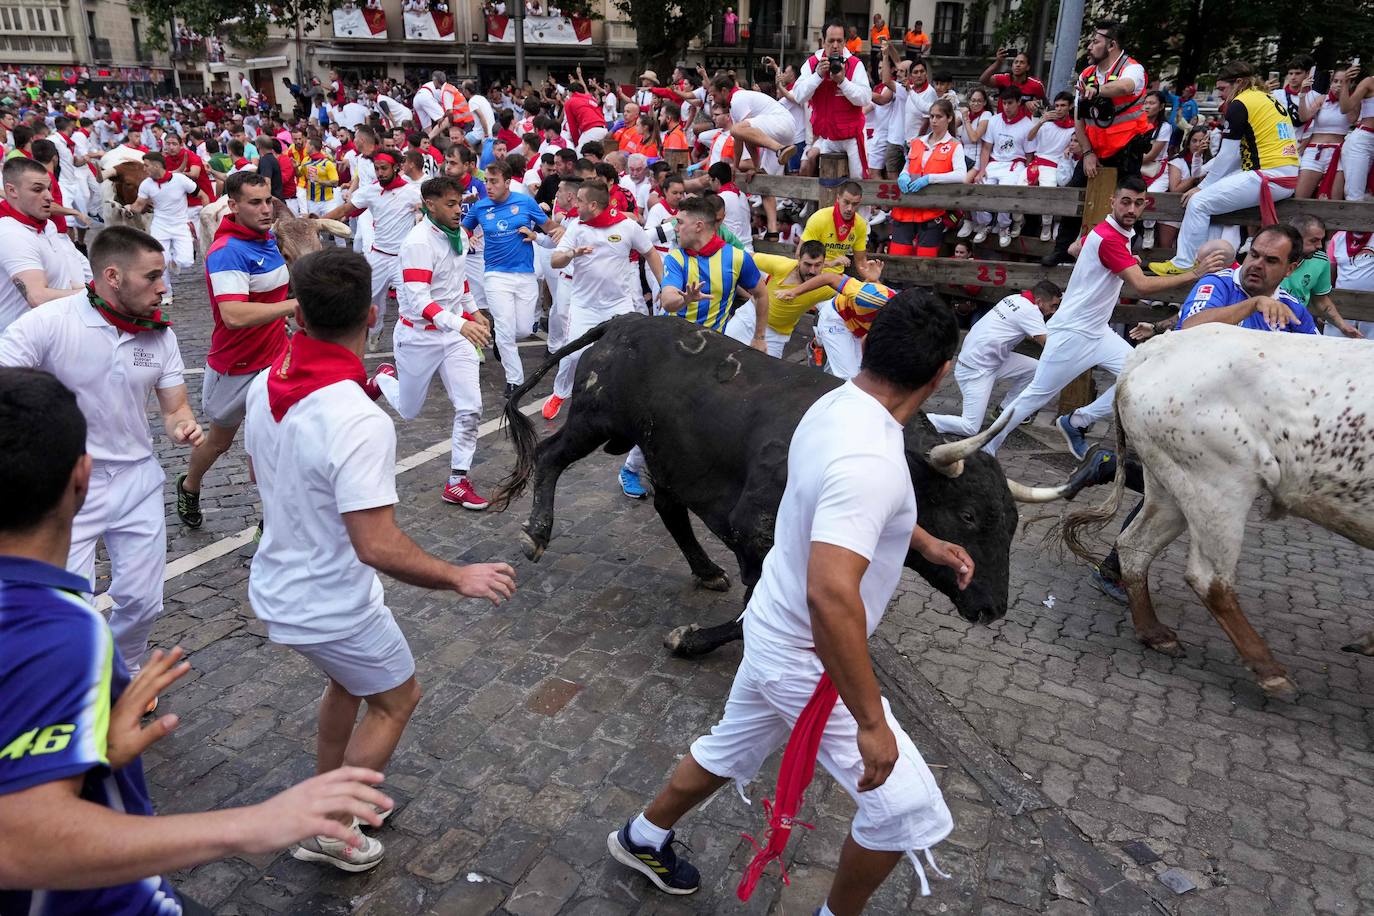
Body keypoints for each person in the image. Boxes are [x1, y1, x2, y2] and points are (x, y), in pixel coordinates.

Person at [606, 291, 964, 912]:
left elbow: (839, 500)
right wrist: (872, 723)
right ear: (941, 374)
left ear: (870, 346)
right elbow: (831, 594)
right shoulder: (871, 459)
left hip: (772, 619)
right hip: (801, 652)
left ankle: (642, 837)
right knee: (905, 809)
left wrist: (923, 540)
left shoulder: (836, 403)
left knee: (729, 748)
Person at [0, 366, 395, 913]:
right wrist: (255, 823)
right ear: (83, 477)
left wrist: (97, 757)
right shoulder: (59, 628)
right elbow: (22, 843)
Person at [243, 247, 517, 871]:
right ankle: (330, 826)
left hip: (282, 582)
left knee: (348, 683)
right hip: (331, 602)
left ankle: (328, 795)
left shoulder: (266, 383)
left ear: (298, 314)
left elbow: (260, 473)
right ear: (372, 316)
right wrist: (457, 576)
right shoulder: (357, 416)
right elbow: (377, 544)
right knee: (398, 697)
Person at [0, 226, 205, 676]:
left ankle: (123, 670)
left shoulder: (160, 336)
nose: (163, 287)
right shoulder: (49, 322)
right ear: (112, 276)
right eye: (151, 277)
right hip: (67, 483)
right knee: (71, 599)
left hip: (136, 477)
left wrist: (183, 426)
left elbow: (175, 408)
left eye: (163, 276)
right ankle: (82, 681)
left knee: (144, 599)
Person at [982, 177, 1229, 457]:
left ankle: (1077, 421)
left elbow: (1077, 249)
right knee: (1032, 398)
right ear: (1113, 202)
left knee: (1140, 375)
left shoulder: (1114, 233)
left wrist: (1121, 261)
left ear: (1144, 205)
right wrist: (1195, 273)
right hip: (1072, 333)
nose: (1131, 209)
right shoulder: (1110, 238)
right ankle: (984, 449)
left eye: (1138, 203)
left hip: (1098, 332)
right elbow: (1142, 286)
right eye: (1125, 202)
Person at [175, 173, 293, 530]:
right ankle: (189, 485)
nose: (266, 209)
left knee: (277, 441)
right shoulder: (227, 251)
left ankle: (271, 520)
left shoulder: (268, 238)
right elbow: (234, 315)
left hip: (277, 358)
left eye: (268, 201)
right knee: (219, 442)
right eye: (255, 203)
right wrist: (295, 306)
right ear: (233, 205)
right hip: (237, 364)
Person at [1149, 61, 1300, 275]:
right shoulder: (1263, 97)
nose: (1220, 94)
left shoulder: (1240, 103)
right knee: (1211, 200)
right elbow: (1236, 154)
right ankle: (1211, 264)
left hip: (1269, 175)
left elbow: (1228, 154)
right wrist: (1207, 177)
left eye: (1222, 88)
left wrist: (1202, 187)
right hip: (1281, 174)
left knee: (1199, 202)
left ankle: (1184, 264)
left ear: (1238, 82)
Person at [544, 181, 662, 417]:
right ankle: (560, 393)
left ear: (593, 205)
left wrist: (665, 285)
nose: (575, 205)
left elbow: (650, 252)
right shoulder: (576, 227)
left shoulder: (627, 226)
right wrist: (572, 253)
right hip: (584, 305)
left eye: (579, 201)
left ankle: (621, 399)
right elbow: (555, 261)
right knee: (574, 354)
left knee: (624, 354)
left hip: (618, 305)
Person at [1042, 21, 1156, 265]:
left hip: (1126, 150)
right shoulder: (1086, 75)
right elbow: (1079, 120)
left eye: (1096, 41)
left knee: (1129, 201)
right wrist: (1087, 153)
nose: (1090, 46)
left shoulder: (1132, 68)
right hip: (1095, 150)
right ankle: (1062, 249)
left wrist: (1099, 90)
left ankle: (1124, 255)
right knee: (1075, 196)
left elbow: (1126, 86)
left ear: (1112, 45)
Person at [461, 159, 563, 397]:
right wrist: (467, 237)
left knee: (524, 329)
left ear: (507, 182)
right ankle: (515, 381)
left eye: (494, 181)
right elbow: (462, 231)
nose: (489, 186)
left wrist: (560, 232)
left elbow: (551, 228)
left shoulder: (525, 202)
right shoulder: (480, 207)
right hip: (495, 275)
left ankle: (500, 337)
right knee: (507, 329)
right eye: (487, 181)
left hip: (525, 274)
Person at [926, 281, 1063, 436]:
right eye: (1053, 306)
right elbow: (1048, 344)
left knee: (1035, 369)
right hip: (976, 370)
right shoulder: (1029, 311)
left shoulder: (1015, 298)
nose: (1053, 311)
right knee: (969, 427)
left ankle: (1004, 410)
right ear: (1039, 301)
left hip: (991, 360)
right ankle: (922, 420)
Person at [317, 151, 423, 350]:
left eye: (384, 168)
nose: (380, 173)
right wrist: (316, 223)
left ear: (396, 168)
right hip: (378, 256)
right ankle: (375, 331)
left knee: (408, 304)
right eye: (377, 169)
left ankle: (406, 345)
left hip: (403, 259)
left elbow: (430, 210)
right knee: (371, 300)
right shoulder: (370, 191)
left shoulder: (412, 192)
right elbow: (345, 210)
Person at [0, 157, 86, 332]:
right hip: (22, 340)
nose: (49, 197)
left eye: (49, 188)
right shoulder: (10, 233)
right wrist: (95, 297)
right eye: (37, 189)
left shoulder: (48, 226)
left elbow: (62, 284)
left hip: (54, 331)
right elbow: (37, 296)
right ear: (12, 190)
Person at [792, 21, 873, 179]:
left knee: (859, 181)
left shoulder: (854, 64)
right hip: (827, 137)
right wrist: (817, 76)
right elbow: (799, 95)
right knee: (828, 184)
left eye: (839, 41)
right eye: (831, 41)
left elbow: (865, 98)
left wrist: (843, 82)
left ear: (845, 42)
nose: (835, 45)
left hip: (852, 136)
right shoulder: (812, 63)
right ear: (823, 42)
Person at [724, 240, 831, 356]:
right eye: (807, 264)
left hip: (776, 335)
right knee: (721, 350)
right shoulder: (782, 265)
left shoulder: (828, 284)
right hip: (749, 318)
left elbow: (846, 288)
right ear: (799, 260)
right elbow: (744, 257)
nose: (812, 271)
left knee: (766, 368)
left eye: (817, 265)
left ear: (824, 263)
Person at [890, 99, 967, 257]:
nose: (934, 120)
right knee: (897, 256)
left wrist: (930, 179)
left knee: (926, 261)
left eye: (939, 116)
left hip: (932, 212)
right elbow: (908, 165)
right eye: (931, 116)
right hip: (906, 209)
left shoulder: (955, 145)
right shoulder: (917, 142)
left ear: (949, 118)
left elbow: (961, 175)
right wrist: (903, 174)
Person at [126, 151, 204, 299]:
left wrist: (206, 214)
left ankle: (173, 260)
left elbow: (202, 195)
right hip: (160, 226)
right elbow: (139, 205)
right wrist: (128, 207)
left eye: (146, 166)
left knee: (186, 262)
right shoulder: (146, 184)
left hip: (181, 225)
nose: (144, 169)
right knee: (161, 262)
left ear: (156, 166)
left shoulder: (180, 179)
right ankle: (167, 294)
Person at [972, 86, 1035, 247]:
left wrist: (1027, 176)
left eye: (1010, 103)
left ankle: (1003, 227)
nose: (1006, 107)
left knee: (1006, 191)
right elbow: (986, 148)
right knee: (981, 188)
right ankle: (986, 224)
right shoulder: (994, 120)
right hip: (994, 163)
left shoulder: (1027, 125)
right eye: (1004, 103)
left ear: (1019, 102)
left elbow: (1029, 156)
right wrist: (982, 170)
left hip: (1015, 164)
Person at [1297, 68, 1355, 200]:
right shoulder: (1322, 99)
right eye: (1336, 81)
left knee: (1334, 199)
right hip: (1315, 151)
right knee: (1301, 196)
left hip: (1338, 153)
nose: (1338, 85)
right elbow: (1303, 117)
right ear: (1331, 82)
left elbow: (1352, 118)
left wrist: (1344, 94)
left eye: (1343, 82)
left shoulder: (1353, 102)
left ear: (1350, 83)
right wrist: (1302, 95)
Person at [1027, 92, 1077, 242]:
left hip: (1055, 165)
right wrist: (1041, 121)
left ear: (1070, 107)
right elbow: (1029, 137)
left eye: (1063, 105)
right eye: (1057, 106)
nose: (1059, 109)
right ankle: (1015, 223)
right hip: (1037, 162)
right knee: (1018, 187)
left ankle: (1046, 225)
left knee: (1048, 191)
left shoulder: (1074, 128)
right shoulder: (1046, 124)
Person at [800, 180, 868, 272]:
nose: (850, 209)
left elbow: (861, 262)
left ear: (859, 203)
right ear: (838, 198)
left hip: (838, 276)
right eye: (846, 202)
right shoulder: (819, 218)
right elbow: (800, 256)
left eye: (854, 204)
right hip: (813, 274)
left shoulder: (860, 224)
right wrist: (831, 263)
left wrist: (872, 277)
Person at [1322, 225, 1374, 337]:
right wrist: (1324, 305)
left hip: (1371, 306)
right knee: (1333, 343)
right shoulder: (1338, 237)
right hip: (1341, 304)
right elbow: (1330, 274)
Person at [1336, 61, 1374, 201]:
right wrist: (1345, 83)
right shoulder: (1369, 82)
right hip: (1363, 141)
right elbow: (1345, 108)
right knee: (1355, 194)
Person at [978, 49, 1046, 109]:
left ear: (1028, 67)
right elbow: (983, 80)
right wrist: (998, 62)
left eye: (1022, 62)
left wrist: (1033, 104)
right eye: (1016, 62)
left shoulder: (1036, 84)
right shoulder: (1003, 78)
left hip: (1024, 119)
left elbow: (1044, 104)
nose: (1018, 65)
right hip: (1002, 118)